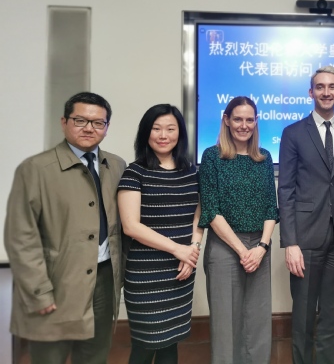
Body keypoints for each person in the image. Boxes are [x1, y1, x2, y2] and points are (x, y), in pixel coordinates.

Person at [4, 92, 126, 364]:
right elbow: (20, 237)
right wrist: (39, 291)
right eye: (80, 120)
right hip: (56, 282)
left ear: (107, 127)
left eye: (98, 123)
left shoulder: (116, 166)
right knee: (50, 357)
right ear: (64, 122)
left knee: (95, 356)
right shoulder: (35, 169)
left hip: (103, 280)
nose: (89, 128)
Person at [278, 66, 334, 364]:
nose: (327, 92)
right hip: (305, 238)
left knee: (332, 313)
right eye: (320, 87)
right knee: (303, 314)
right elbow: (286, 189)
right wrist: (290, 242)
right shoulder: (293, 133)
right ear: (311, 92)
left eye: (332, 87)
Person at [118, 104, 202, 364]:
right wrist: (178, 250)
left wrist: (193, 250)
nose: (163, 135)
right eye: (156, 129)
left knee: (170, 343)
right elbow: (131, 226)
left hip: (181, 271)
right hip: (146, 275)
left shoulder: (192, 172)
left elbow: (199, 215)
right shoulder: (135, 172)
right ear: (146, 132)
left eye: (170, 129)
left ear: (180, 133)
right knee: (145, 345)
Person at [199, 96, 278, 364]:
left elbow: (271, 208)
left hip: (259, 248)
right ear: (226, 120)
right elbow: (211, 210)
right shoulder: (212, 156)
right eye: (237, 119)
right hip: (225, 246)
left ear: (256, 122)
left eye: (249, 120)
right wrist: (244, 251)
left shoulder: (264, 157)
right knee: (225, 321)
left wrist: (262, 247)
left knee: (258, 319)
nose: (244, 125)